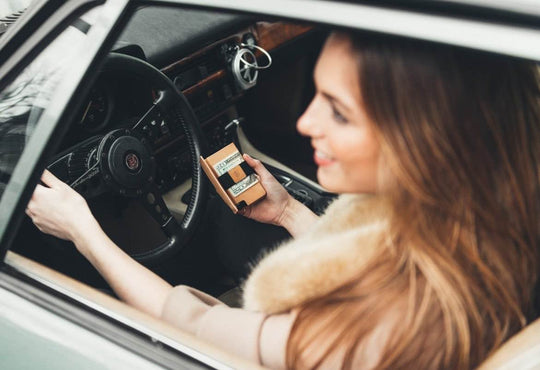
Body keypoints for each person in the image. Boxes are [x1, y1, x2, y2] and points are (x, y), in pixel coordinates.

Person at [25, 31, 540, 369]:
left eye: (338, 112)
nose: (305, 122)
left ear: (424, 141)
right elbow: (372, 265)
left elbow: (187, 325)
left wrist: (81, 229)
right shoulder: (489, 234)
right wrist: (291, 212)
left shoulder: (360, 335)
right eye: (315, 95)